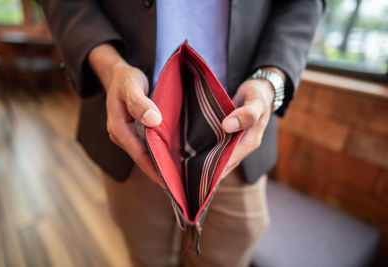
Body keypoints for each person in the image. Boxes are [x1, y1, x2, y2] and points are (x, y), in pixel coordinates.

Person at [40, 0, 324, 266]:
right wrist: (111, 68)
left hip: (238, 126)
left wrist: (270, 79)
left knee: (228, 253)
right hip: (133, 119)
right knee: (145, 255)